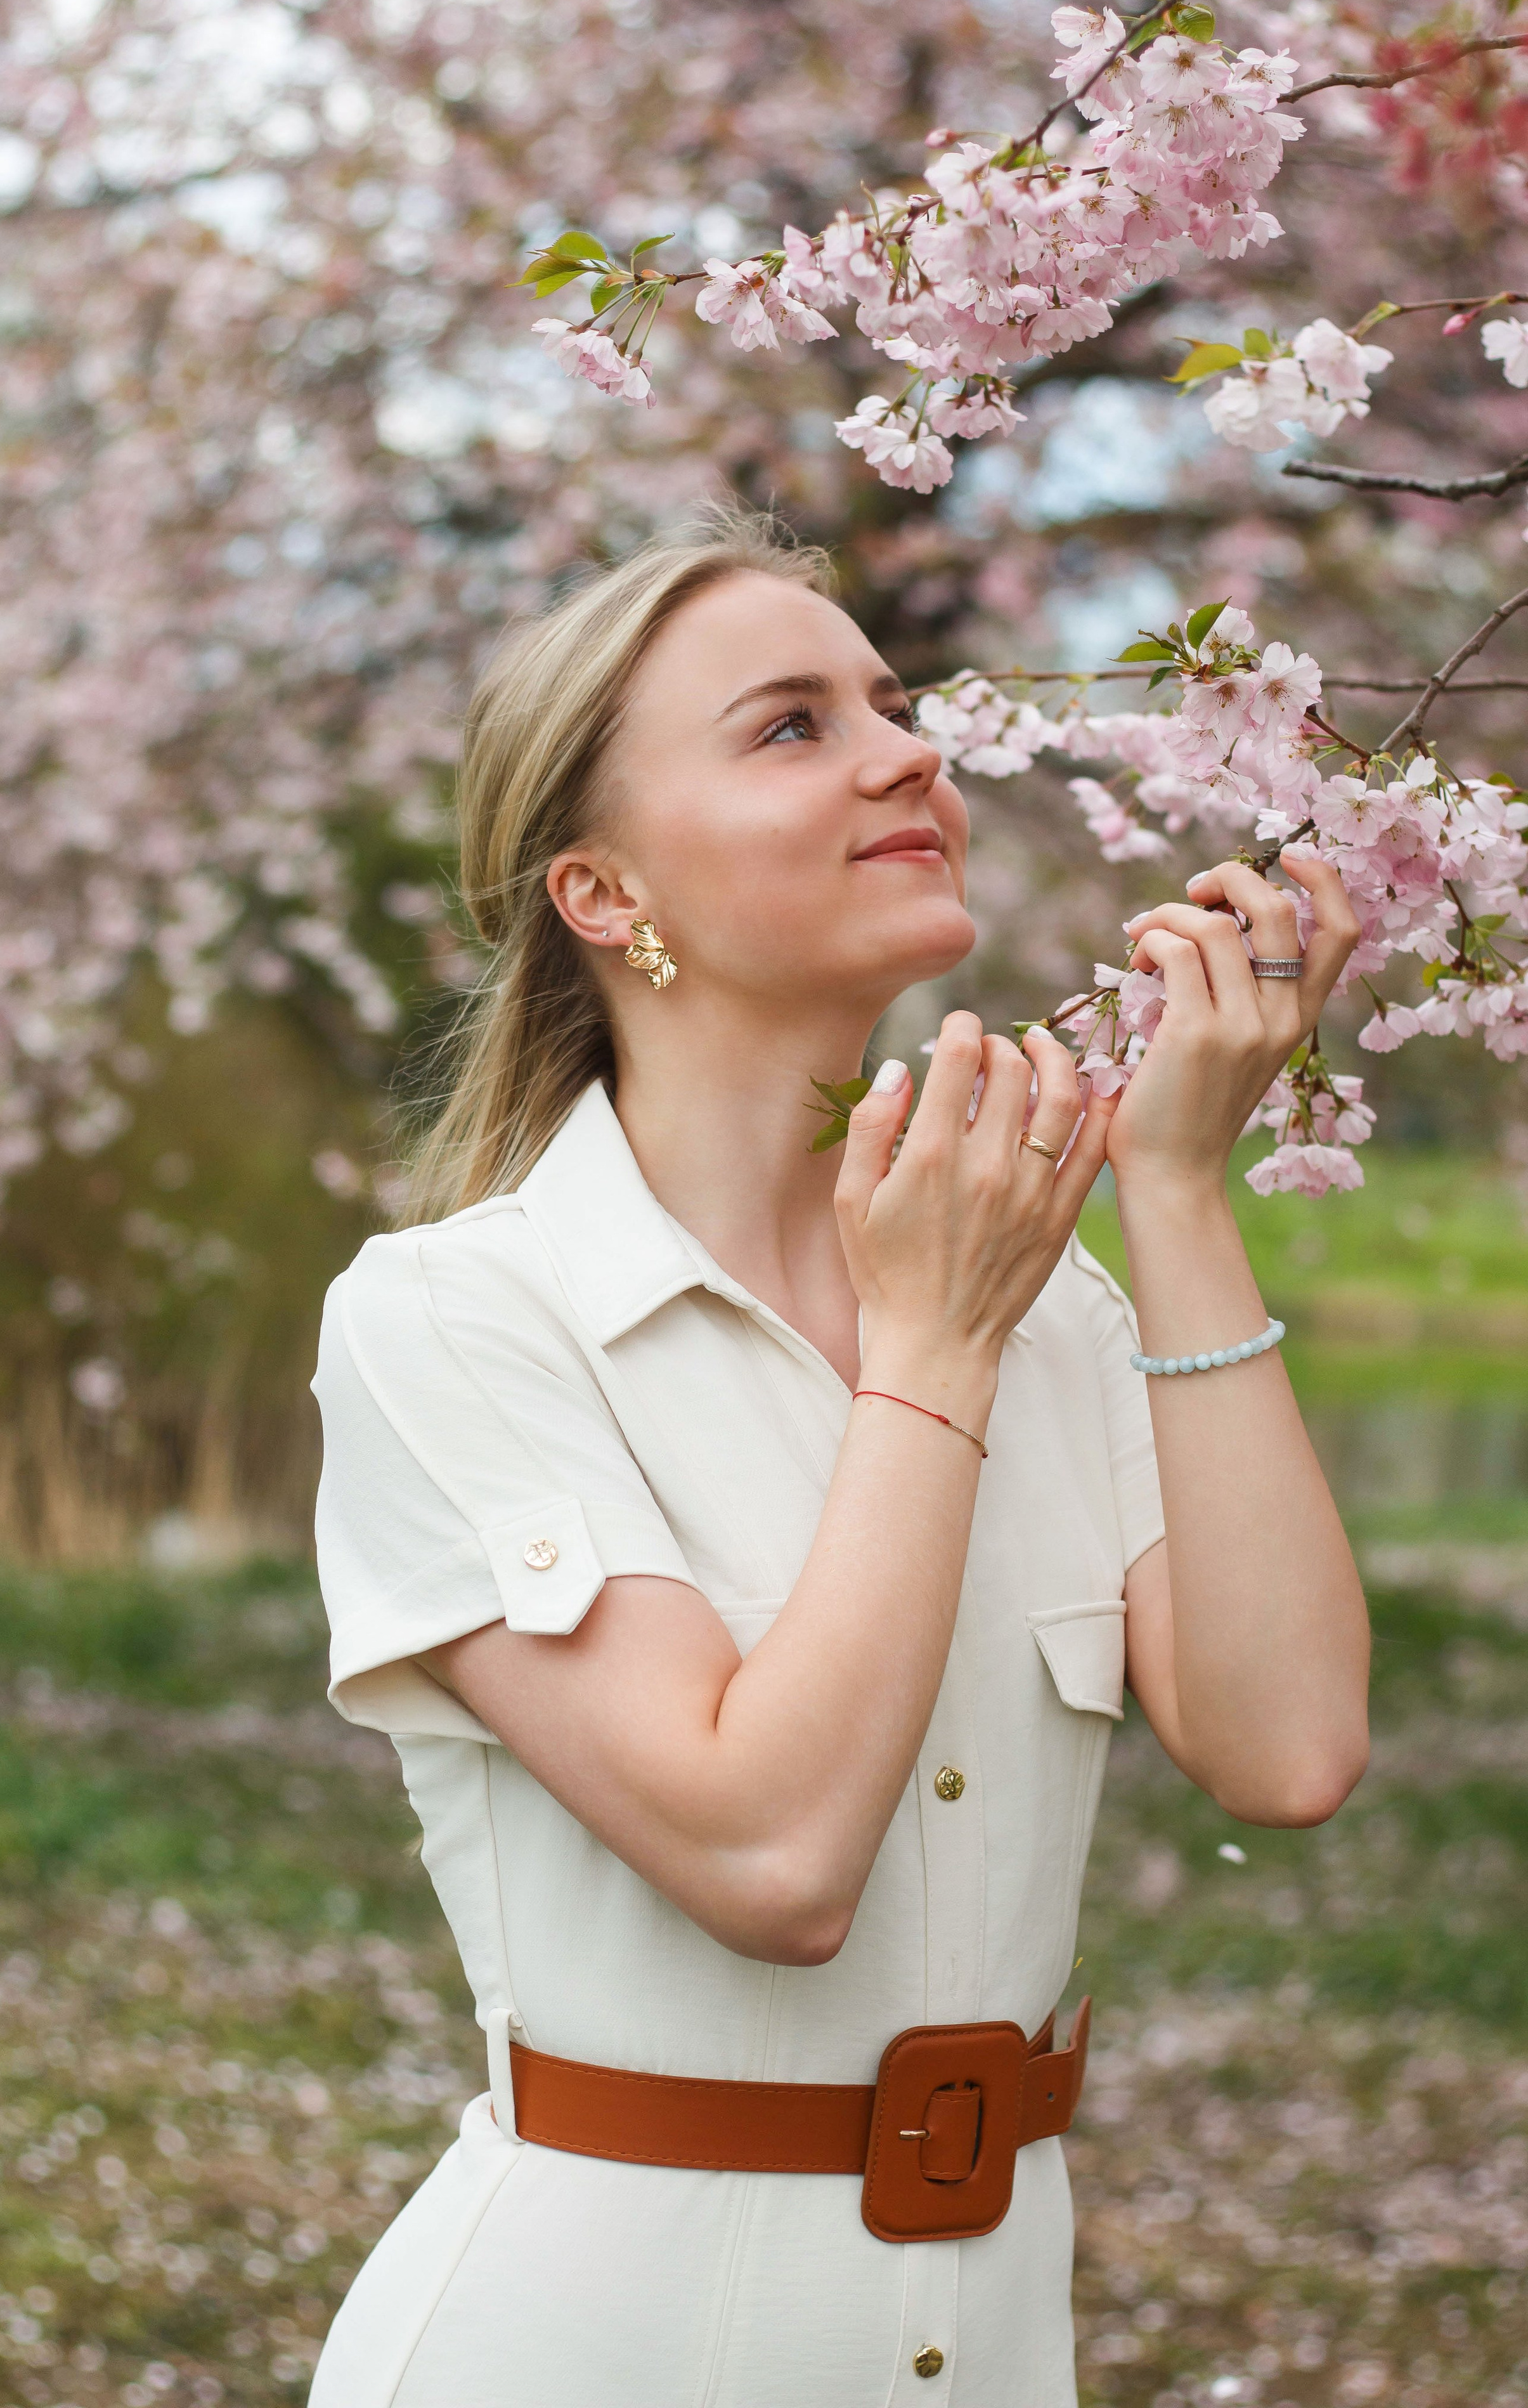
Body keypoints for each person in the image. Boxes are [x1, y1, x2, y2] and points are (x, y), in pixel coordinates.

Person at [309, 507, 1370, 2407]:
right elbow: (776, 1858)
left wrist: (1179, 1189)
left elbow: (1287, 1751)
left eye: (892, 706)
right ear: (604, 893)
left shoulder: (1051, 1307)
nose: (906, 756)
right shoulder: (457, 1320)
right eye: (792, 726)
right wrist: (936, 1350)